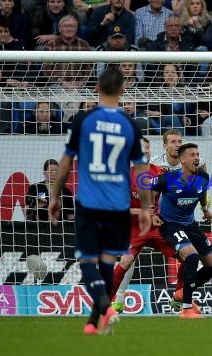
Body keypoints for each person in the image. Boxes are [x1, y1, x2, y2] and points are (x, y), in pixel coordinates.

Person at [48, 66, 152, 335]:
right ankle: (94, 323)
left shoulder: (83, 119)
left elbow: (66, 162)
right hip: (118, 206)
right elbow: (141, 171)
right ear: (122, 90)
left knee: (87, 263)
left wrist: (55, 195)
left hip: (89, 203)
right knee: (106, 262)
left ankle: (105, 307)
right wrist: (145, 205)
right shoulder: (131, 125)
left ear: (97, 87)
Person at [150, 129, 212, 315]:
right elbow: (147, 189)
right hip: (170, 224)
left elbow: (203, 193)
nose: (197, 158)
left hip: (190, 224)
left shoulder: (203, 178)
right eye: (192, 155)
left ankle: (182, 293)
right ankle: (187, 308)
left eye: (198, 154)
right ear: (183, 160)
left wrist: (205, 210)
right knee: (191, 256)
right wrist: (150, 211)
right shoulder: (166, 179)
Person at [109, 138, 181, 313]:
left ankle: (181, 298)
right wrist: (140, 212)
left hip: (156, 225)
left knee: (189, 255)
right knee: (126, 261)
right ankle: (108, 301)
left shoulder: (161, 172)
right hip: (133, 227)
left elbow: (174, 197)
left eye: (147, 148)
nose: (146, 151)